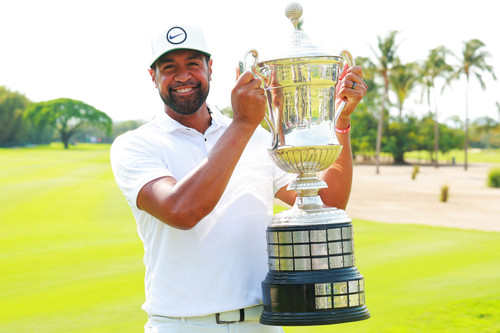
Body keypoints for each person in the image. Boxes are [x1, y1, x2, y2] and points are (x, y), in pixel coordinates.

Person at [110, 23, 367, 333]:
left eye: (193, 63)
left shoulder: (257, 138)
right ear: (153, 77)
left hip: (262, 323)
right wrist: (243, 123)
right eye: (169, 68)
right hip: (183, 325)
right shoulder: (136, 144)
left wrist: (341, 120)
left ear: (210, 68)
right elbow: (182, 210)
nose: (183, 76)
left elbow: (328, 202)